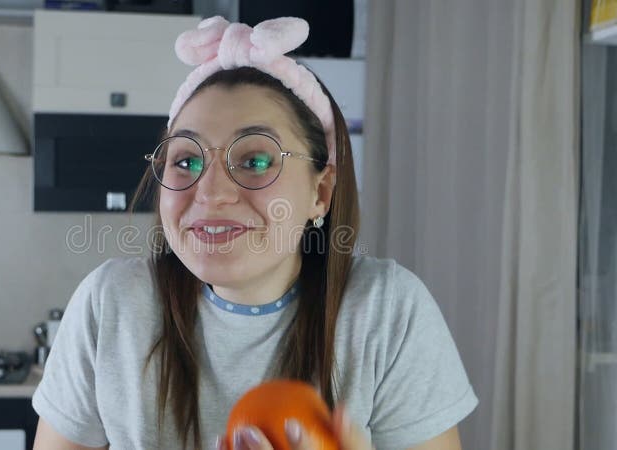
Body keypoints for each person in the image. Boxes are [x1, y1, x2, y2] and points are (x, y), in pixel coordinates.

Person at [32, 16, 478, 450]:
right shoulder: (109, 305)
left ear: (320, 192)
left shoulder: (387, 312)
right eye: (186, 160)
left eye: (256, 160)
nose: (210, 193)